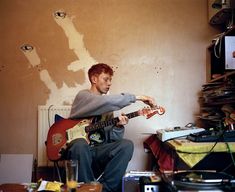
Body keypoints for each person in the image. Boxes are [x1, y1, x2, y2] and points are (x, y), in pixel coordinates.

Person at [68, 63, 156, 192]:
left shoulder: (107, 110)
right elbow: (105, 101)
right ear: (94, 79)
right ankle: (87, 189)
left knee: (126, 145)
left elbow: (111, 139)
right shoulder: (83, 96)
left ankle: (105, 189)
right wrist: (138, 97)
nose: (109, 83)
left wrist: (118, 127)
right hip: (80, 148)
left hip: (98, 149)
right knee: (80, 144)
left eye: (110, 80)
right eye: (106, 79)